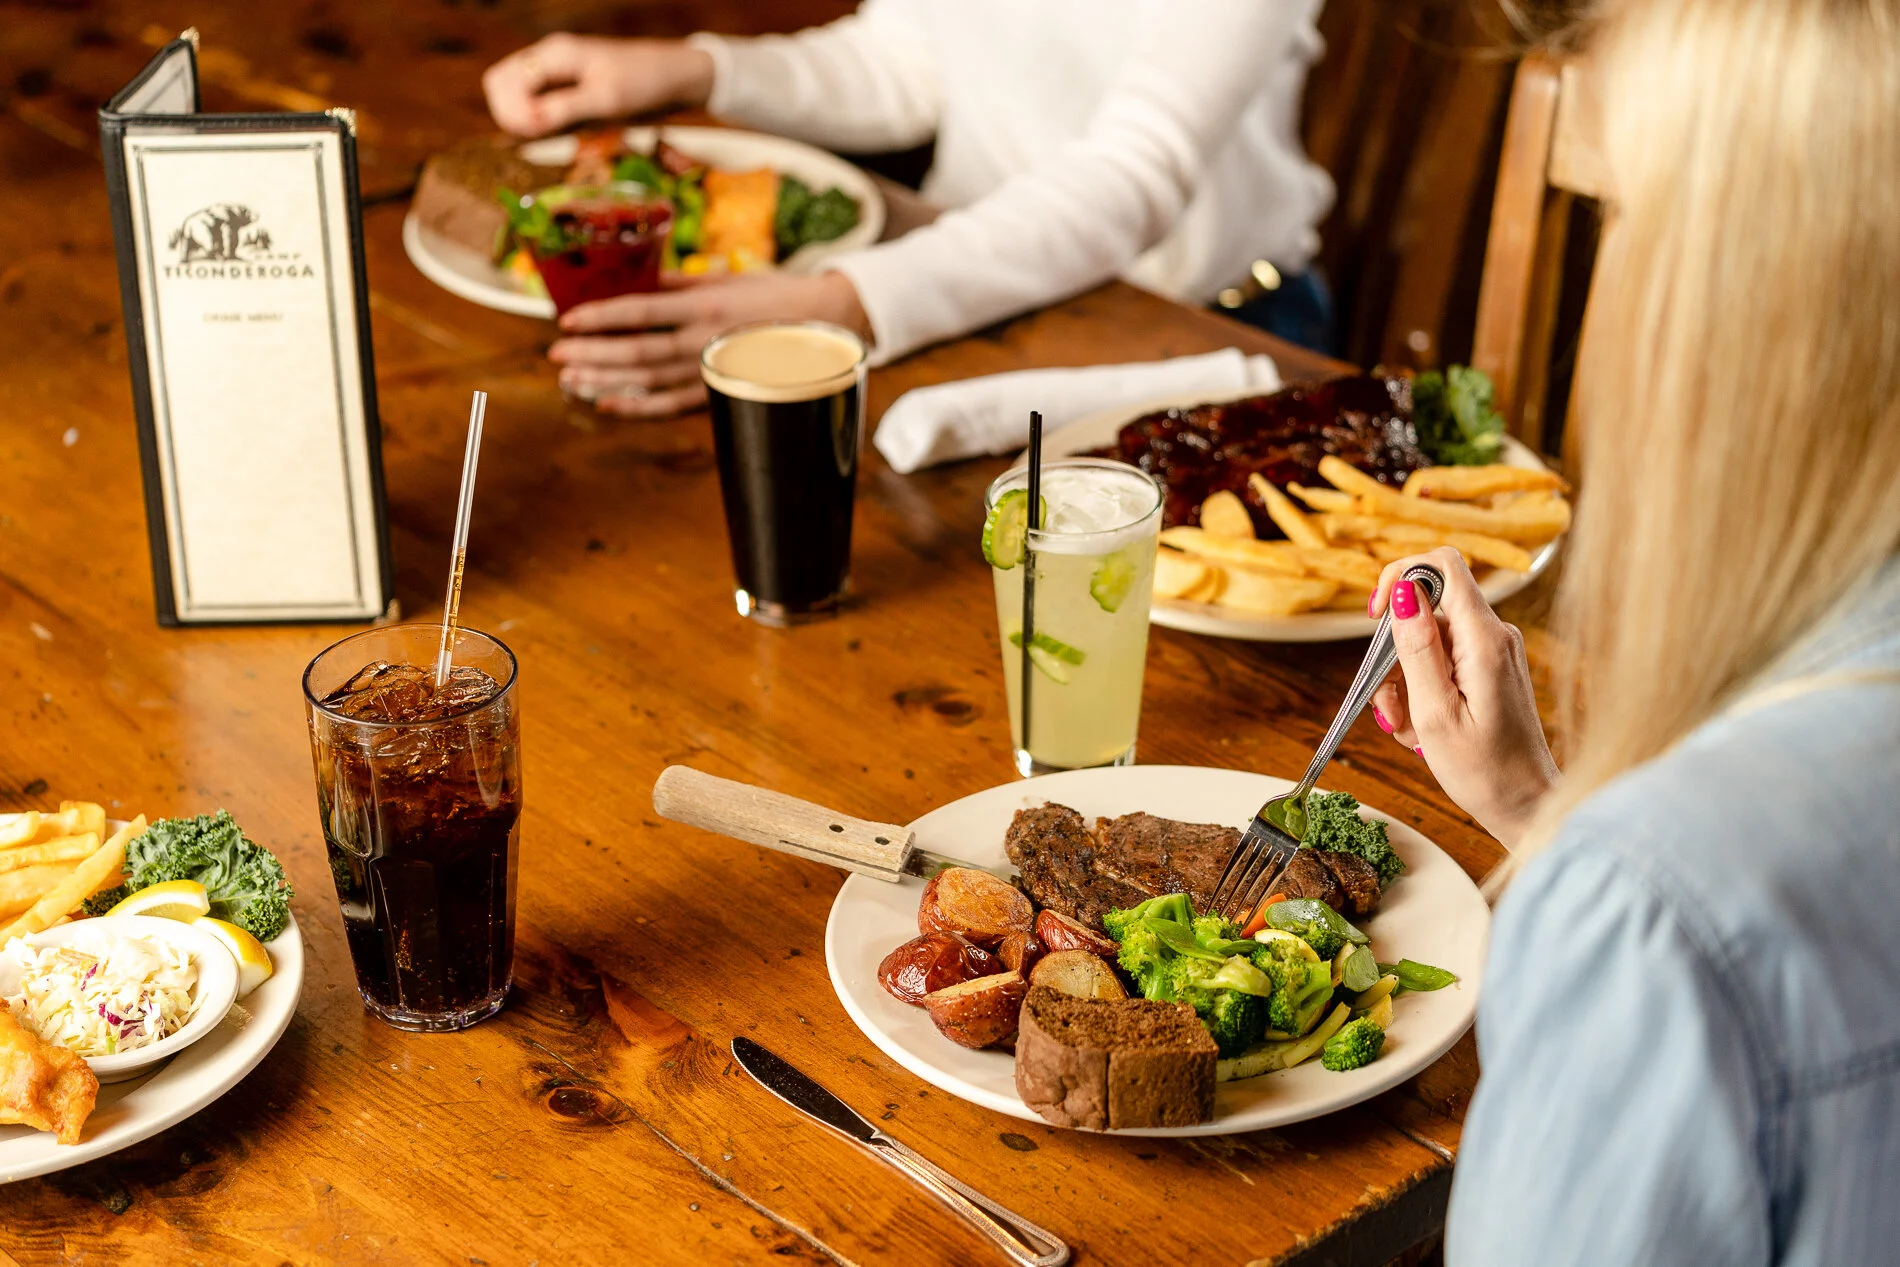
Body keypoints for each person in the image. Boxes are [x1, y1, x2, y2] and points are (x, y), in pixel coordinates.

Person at [1363, 1, 1900, 1261]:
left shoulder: (1653, 909)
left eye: (1619, 218)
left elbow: (1706, 935)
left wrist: (1612, 882)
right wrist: (1535, 808)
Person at [481, 2, 1335, 416]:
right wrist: (698, 70)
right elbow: (908, 63)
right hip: (967, 299)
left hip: (1195, 332)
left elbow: (1131, 177)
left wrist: (844, 304)